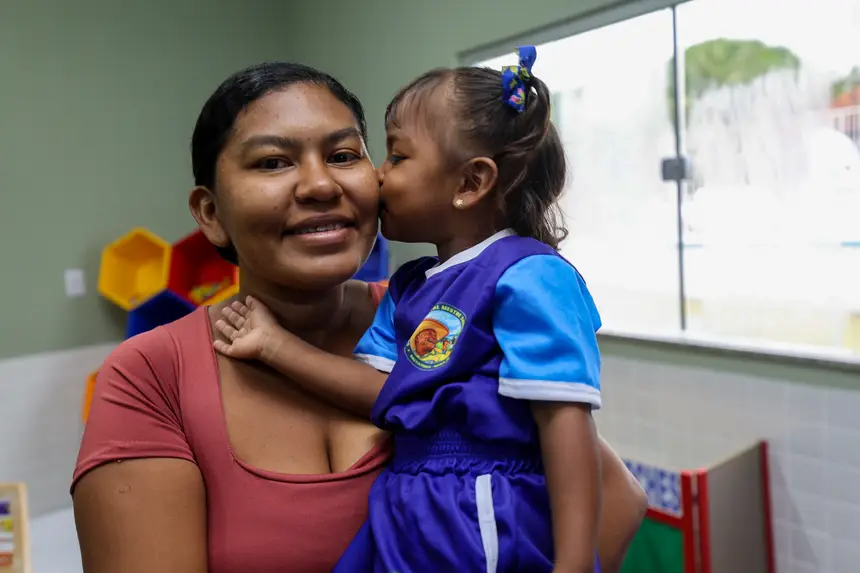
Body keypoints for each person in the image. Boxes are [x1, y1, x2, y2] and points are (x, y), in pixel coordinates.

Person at [71, 61, 646, 573]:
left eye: (345, 155)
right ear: (211, 214)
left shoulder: (452, 313)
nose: (321, 184)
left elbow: (616, 499)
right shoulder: (150, 376)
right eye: (273, 162)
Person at [213, 47, 604, 573]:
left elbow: (565, 423)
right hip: (406, 501)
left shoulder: (528, 275)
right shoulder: (409, 286)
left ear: (469, 184)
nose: (377, 176)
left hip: (485, 504)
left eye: (396, 156)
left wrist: (575, 562)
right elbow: (383, 393)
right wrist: (277, 346)